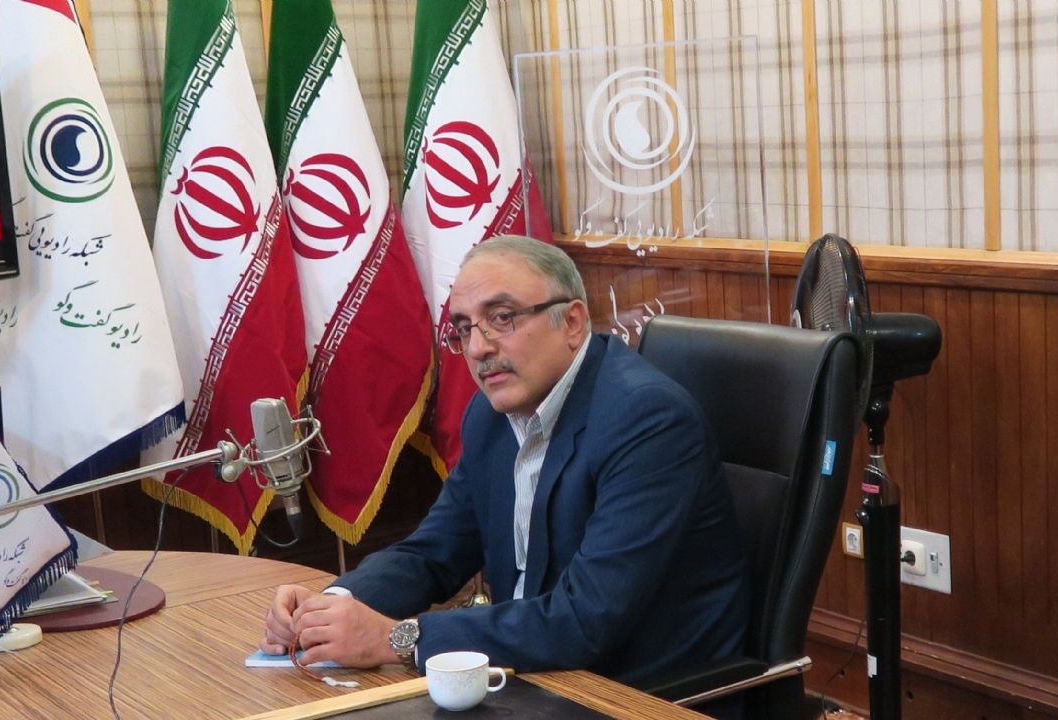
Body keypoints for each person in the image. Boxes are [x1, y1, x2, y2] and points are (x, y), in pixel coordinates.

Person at [261, 234, 747, 696]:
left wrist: (396, 639)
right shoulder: (492, 414)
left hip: (632, 695)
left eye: (502, 318)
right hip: (530, 675)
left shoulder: (647, 420)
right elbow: (433, 553)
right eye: (464, 328)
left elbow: (585, 619)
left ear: (572, 323)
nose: (478, 348)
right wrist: (331, 607)